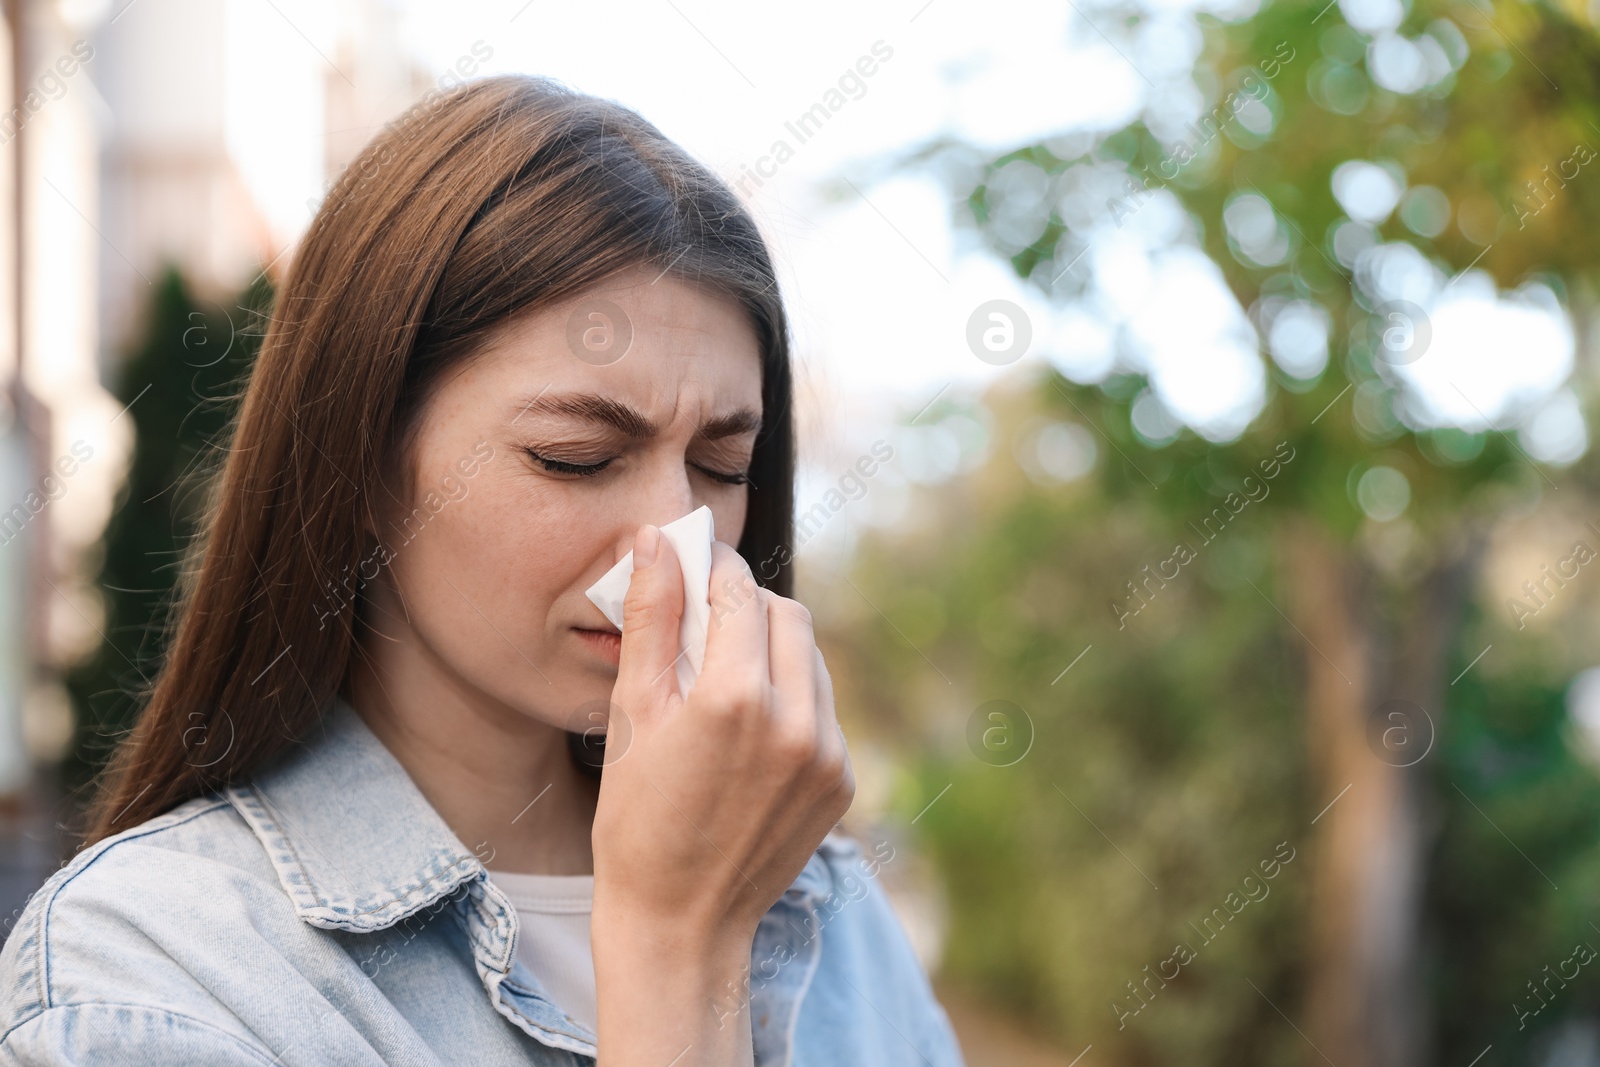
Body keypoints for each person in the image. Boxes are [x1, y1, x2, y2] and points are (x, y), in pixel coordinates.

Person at [0, 75, 964, 1066]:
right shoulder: (156, 972)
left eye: (722, 466)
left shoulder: (829, 906)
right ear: (361, 454)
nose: (673, 543)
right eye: (574, 456)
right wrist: (673, 946)